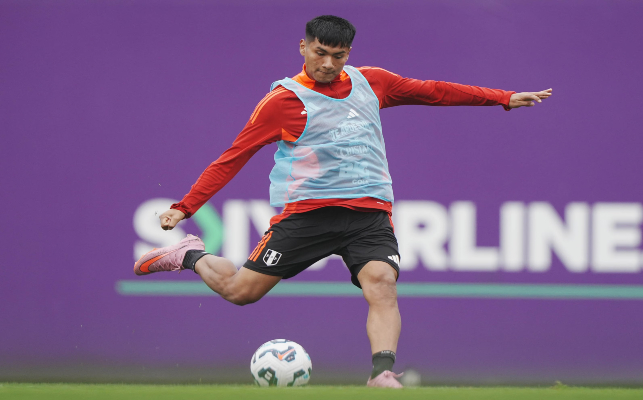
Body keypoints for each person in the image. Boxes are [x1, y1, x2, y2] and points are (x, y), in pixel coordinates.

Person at [134, 15, 552, 388]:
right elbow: (234, 156)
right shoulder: (283, 101)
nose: (328, 63)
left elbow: (434, 91)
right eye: (320, 52)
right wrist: (185, 207)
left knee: (382, 282)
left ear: (348, 53)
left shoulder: (373, 82)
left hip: (369, 215)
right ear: (303, 47)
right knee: (240, 291)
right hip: (308, 216)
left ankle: (382, 373)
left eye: (338, 55)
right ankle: (189, 254)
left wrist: (502, 97)